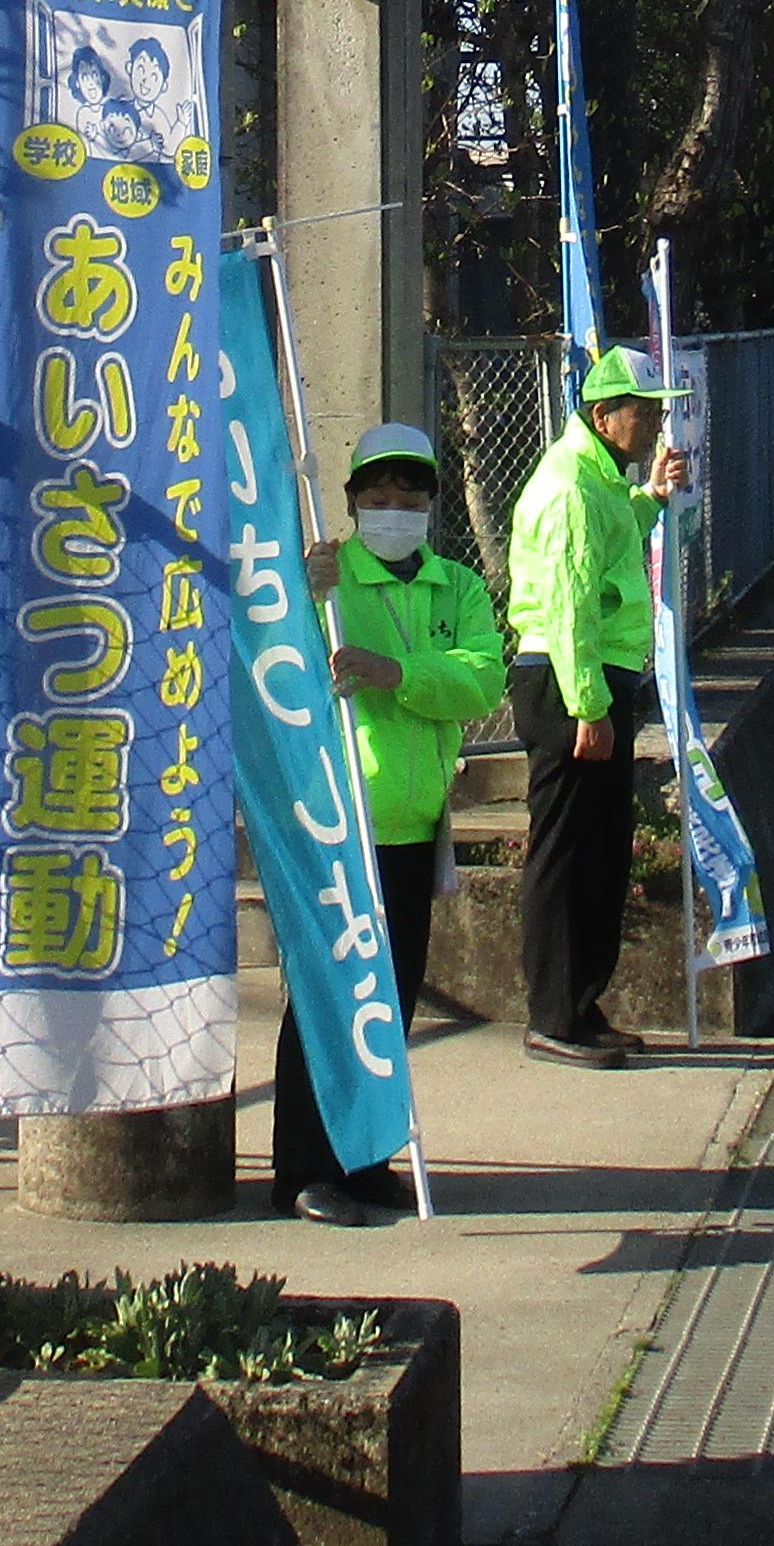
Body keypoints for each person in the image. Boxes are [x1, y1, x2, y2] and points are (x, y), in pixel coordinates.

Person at [274, 423, 507, 1225]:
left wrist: (396, 672)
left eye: (410, 493)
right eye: (378, 493)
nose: (394, 506)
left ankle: (365, 1158)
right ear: (351, 502)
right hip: (340, 827)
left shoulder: (456, 588)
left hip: (412, 829)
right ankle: (304, 1169)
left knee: (390, 999)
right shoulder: (326, 583)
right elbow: (284, 670)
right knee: (326, 997)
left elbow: (481, 681)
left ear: (432, 503)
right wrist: (302, 598)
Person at [505, 343, 684, 1066]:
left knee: (602, 850)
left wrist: (653, 500)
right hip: (568, 681)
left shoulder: (601, 478)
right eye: (646, 412)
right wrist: (588, 706)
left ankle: (580, 1006)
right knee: (567, 850)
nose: (656, 424)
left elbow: (609, 547)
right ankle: (553, 1015)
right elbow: (570, 601)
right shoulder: (572, 484)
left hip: (595, 679)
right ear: (605, 414)